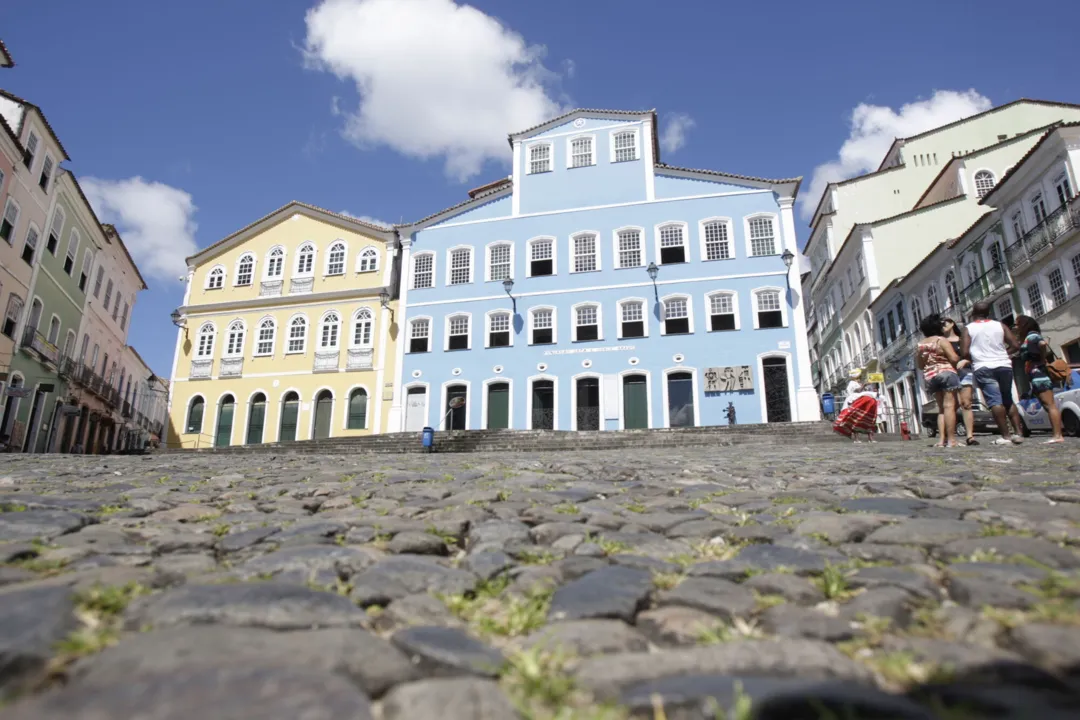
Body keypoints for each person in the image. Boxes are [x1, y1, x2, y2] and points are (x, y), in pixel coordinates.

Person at [961, 301, 1023, 446]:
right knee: (1007, 398)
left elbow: (964, 352)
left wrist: (975, 359)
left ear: (973, 314)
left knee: (995, 401)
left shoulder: (968, 328)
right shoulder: (1000, 325)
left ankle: (1005, 436)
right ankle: (1018, 433)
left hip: (983, 367)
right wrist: (1003, 354)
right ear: (988, 312)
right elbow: (1015, 345)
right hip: (1004, 364)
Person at [1014, 315, 1065, 443]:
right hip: (1035, 374)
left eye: (1017, 324)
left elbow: (1042, 344)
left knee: (1050, 405)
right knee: (1047, 405)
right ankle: (1056, 434)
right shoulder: (1027, 338)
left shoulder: (1032, 335)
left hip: (1039, 374)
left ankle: (1058, 435)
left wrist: (1042, 358)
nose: (1016, 327)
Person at [916, 313, 962, 448]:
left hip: (930, 376)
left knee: (941, 409)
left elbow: (920, 365)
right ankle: (952, 440)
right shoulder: (941, 340)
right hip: (946, 372)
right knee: (950, 407)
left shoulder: (920, 345)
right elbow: (953, 358)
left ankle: (941, 440)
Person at [941, 317, 978, 445]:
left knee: (966, 403)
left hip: (965, 372)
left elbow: (973, 354)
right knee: (952, 405)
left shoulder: (962, 340)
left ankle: (970, 436)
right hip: (948, 374)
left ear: (952, 323)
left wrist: (966, 360)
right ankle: (948, 437)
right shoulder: (941, 341)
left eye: (944, 323)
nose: (942, 325)